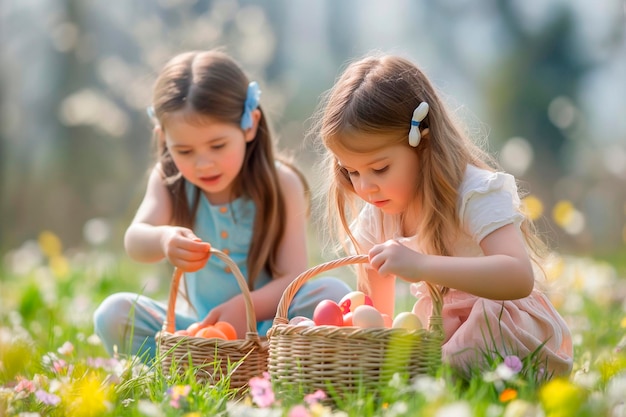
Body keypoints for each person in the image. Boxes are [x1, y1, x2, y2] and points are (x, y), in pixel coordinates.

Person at [312, 53, 573, 378]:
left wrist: (422, 266)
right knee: (413, 367)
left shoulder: (472, 193)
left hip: (502, 322)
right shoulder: (378, 216)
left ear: (422, 141)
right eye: (350, 171)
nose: (365, 187)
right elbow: (377, 319)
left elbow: (518, 277)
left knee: (449, 360)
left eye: (380, 168)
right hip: (441, 326)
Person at [93, 50, 351, 362]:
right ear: (163, 138)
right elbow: (135, 240)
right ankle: (194, 366)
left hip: (271, 329)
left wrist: (246, 310)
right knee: (114, 314)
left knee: (332, 294)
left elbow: (293, 276)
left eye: (217, 146)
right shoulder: (169, 180)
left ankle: (271, 365)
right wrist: (163, 239)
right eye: (184, 150)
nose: (203, 163)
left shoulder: (282, 183)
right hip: (198, 331)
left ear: (249, 125)